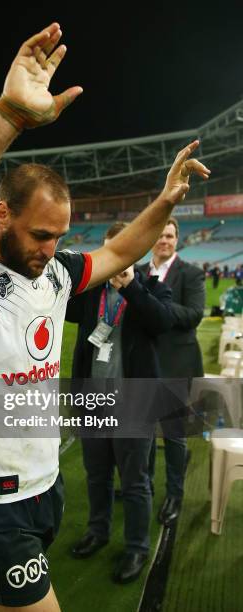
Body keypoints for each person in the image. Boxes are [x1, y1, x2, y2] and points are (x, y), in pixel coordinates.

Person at [0, 23, 210, 612]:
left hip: (44, 485)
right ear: (1, 213)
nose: (52, 247)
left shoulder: (56, 272)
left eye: (61, 237)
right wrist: (8, 117)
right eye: (41, 234)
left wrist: (165, 201)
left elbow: (120, 252)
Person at [66, 221, 174, 584]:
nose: (117, 259)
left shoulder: (154, 288)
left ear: (136, 252)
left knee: (135, 482)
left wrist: (130, 286)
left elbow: (160, 323)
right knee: (96, 476)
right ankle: (98, 531)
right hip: (93, 402)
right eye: (111, 251)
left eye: (124, 250)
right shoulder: (88, 293)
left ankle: (137, 547)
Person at [140, 217, 205, 526]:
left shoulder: (190, 273)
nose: (164, 240)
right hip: (142, 365)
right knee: (145, 435)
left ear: (177, 240)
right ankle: (146, 486)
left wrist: (153, 303)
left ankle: (175, 495)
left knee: (175, 437)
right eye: (160, 234)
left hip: (177, 365)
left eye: (169, 235)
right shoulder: (138, 272)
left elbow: (193, 315)